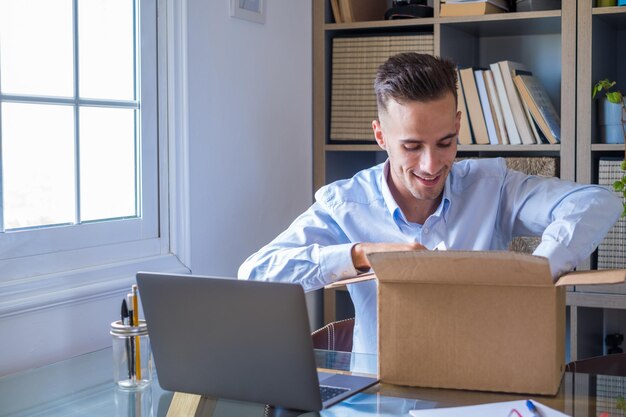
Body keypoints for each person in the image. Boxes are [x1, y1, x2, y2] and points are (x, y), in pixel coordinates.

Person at [238, 53, 622, 355]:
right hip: (378, 400)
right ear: (380, 136)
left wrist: (537, 271)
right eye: (411, 146)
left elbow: (596, 202)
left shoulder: (492, 186)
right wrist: (357, 255)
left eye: (445, 142)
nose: (431, 165)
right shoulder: (345, 203)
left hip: (477, 393)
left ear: (457, 124)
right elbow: (254, 275)